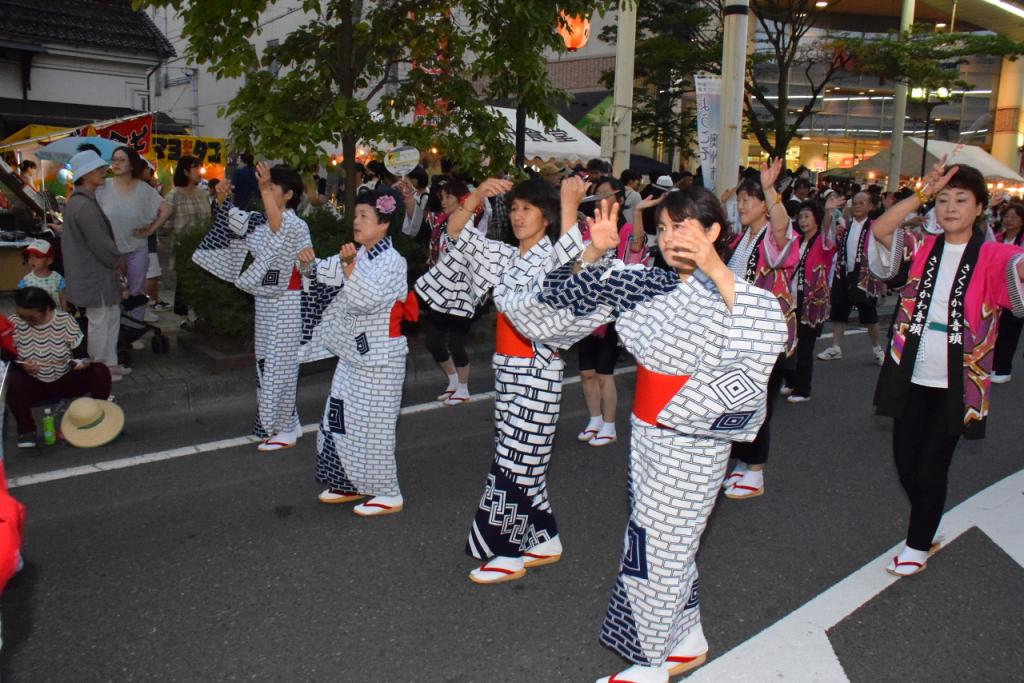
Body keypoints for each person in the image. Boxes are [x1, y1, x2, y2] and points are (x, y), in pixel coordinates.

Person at [503, 189, 786, 683]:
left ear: (714, 231)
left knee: (660, 545)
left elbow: (766, 334)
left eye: (683, 226)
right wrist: (593, 253)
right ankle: (687, 635)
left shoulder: (742, 294)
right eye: (662, 229)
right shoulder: (642, 283)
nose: (670, 238)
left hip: (694, 440)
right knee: (666, 542)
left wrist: (716, 270)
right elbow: (543, 309)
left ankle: (652, 660)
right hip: (649, 433)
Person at [416, 176, 585, 584]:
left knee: (515, 463)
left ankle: (508, 550)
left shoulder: (553, 255)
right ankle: (543, 538)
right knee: (522, 459)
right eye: (513, 208)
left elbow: (577, 265)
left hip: (539, 371)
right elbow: (454, 232)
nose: (517, 216)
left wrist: (570, 206)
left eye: (527, 209)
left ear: (545, 216)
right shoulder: (507, 257)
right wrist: (476, 197)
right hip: (508, 371)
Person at [870, 161, 1024, 577]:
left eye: (961, 200)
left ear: (980, 208)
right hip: (911, 370)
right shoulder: (922, 246)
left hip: (959, 381)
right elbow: (882, 231)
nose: (951, 208)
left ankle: (918, 542)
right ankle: (928, 520)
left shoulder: (994, 255)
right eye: (943, 200)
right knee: (904, 461)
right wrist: (920, 194)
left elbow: (1019, 273)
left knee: (932, 463)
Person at [299, 190, 413, 515]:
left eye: (365, 216)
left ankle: (388, 492)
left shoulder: (393, 261)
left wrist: (349, 268)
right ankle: (348, 480)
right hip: (354, 354)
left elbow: (367, 299)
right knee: (340, 417)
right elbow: (323, 273)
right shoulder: (359, 255)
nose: (357, 221)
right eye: (356, 215)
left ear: (384, 223)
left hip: (381, 358)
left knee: (375, 426)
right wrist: (306, 265)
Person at [194, 163, 312, 451]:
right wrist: (222, 199)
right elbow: (233, 221)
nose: (267, 193)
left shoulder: (295, 223)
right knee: (265, 362)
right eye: (266, 188)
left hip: (287, 300)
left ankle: (282, 428)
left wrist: (261, 188)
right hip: (265, 300)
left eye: (273, 189)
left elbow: (278, 226)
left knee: (279, 364)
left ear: (288, 195)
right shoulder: (260, 220)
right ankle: (290, 419)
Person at [723, 159, 799, 500]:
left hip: (764, 335)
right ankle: (743, 462)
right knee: (738, 397)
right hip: (739, 332)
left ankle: (756, 470)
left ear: (764, 207)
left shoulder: (771, 235)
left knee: (758, 400)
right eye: (739, 200)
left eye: (747, 200)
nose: (740, 206)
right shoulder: (743, 238)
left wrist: (770, 190)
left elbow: (782, 226)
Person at [574, 176, 650, 447]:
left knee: (605, 372)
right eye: (597, 194)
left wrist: (639, 213)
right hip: (587, 309)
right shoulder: (587, 228)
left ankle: (609, 424)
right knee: (586, 372)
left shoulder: (627, 228)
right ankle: (594, 419)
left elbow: (638, 247)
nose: (599, 199)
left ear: (617, 199)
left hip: (612, 311)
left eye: (605, 194)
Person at [5, 287, 113, 448]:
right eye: (22, 316)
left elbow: (82, 354)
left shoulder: (64, 321)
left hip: (64, 378)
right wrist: (22, 366)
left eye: (32, 318)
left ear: (47, 308)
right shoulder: (13, 323)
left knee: (100, 371)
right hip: (33, 384)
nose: (26, 321)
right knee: (13, 379)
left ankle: (94, 417)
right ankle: (26, 429)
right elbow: (6, 359)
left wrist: (81, 363)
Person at [61, 150, 126, 379]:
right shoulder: (84, 205)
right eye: (97, 169)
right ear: (85, 174)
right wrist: (117, 260)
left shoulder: (81, 202)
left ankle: (108, 365)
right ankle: (101, 369)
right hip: (94, 273)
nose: (103, 171)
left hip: (94, 272)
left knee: (108, 316)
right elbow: (99, 242)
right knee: (101, 320)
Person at [414, 179, 478, 405]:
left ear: (461, 199)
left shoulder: (467, 224)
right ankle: (453, 381)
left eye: (448, 197)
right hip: (442, 290)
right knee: (434, 340)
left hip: (461, 291)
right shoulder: (442, 223)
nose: (443, 200)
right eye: (442, 196)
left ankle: (464, 387)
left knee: (456, 341)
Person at [96, 146, 172, 324]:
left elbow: (167, 208)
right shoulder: (103, 188)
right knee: (113, 292)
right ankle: (116, 330)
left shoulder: (144, 190)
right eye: (114, 159)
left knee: (136, 291)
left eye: (122, 160)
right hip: (111, 251)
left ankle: (133, 330)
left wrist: (150, 231)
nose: (117, 163)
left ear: (132, 164)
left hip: (137, 248)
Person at [782, 194, 843, 402]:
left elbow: (828, 231)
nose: (803, 221)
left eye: (807, 216)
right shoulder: (798, 240)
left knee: (805, 347)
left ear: (816, 218)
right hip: (792, 298)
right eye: (800, 217)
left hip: (811, 302)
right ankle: (791, 382)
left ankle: (803, 389)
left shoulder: (823, 242)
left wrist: (829, 212)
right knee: (788, 342)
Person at [817, 191, 886, 365]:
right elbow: (826, 234)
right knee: (839, 312)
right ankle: (836, 347)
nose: (857, 206)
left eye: (862, 203)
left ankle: (878, 349)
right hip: (843, 272)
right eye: (855, 202)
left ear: (871, 206)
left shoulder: (875, 226)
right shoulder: (844, 225)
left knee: (869, 314)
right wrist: (828, 213)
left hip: (864, 276)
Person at [166, 155, 213, 328]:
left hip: (202, 244)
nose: (199, 172)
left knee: (202, 281)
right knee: (184, 283)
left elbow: (208, 217)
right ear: (186, 171)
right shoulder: (174, 195)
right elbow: (167, 221)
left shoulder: (202, 193)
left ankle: (201, 314)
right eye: (195, 168)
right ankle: (182, 317)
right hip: (184, 245)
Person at [991, 203, 1024, 383]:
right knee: (994, 329)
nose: (1008, 220)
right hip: (996, 291)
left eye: (1013, 216)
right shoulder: (996, 237)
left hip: (1017, 292)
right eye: (1006, 216)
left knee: (1010, 330)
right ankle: (993, 365)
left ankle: (1003, 368)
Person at [19, 240, 67, 311]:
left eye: (37, 257)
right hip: (34, 319)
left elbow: (63, 299)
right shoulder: (26, 281)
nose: (32, 260)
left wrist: (64, 316)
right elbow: (21, 302)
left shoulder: (58, 278)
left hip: (55, 319)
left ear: (49, 260)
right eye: (29, 257)